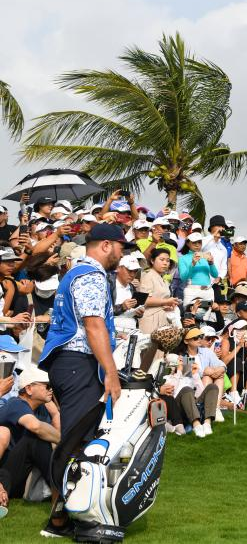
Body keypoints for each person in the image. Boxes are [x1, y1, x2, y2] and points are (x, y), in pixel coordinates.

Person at [37, 224, 131, 538]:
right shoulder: (91, 276)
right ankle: (60, 520)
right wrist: (112, 373)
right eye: (121, 247)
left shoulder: (77, 273)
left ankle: (68, 513)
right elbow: (93, 327)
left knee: (81, 438)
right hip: (77, 363)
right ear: (106, 245)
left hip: (71, 364)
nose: (122, 253)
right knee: (76, 441)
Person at [0, 366, 61, 518]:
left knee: (42, 438)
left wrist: (55, 413)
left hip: (18, 474)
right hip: (4, 473)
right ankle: (61, 487)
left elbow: (54, 436)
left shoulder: (42, 409)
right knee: (35, 438)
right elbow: (36, 427)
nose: (50, 390)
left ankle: (61, 486)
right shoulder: (16, 404)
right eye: (47, 386)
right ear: (29, 389)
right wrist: (66, 442)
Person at [139, 248, 181, 334]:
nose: (165, 263)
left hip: (163, 317)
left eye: (168, 260)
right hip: (150, 319)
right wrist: (166, 301)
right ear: (152, 261)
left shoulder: (163, 279)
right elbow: (144, 300)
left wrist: (170, 304)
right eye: (161, 260)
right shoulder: (148, 276)